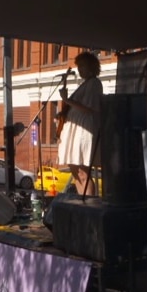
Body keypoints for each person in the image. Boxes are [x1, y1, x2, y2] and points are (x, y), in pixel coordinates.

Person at [58, 51, 103, 196]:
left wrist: (67, 100)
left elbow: (90, 108)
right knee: (75, 170)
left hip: (84, 129)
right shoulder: (84, 84)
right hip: (74, 128)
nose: (79, 69)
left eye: (82, 66)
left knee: (83, 171)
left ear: (90, 66)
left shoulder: (95, 83)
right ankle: (81, 200)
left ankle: (89, 204)